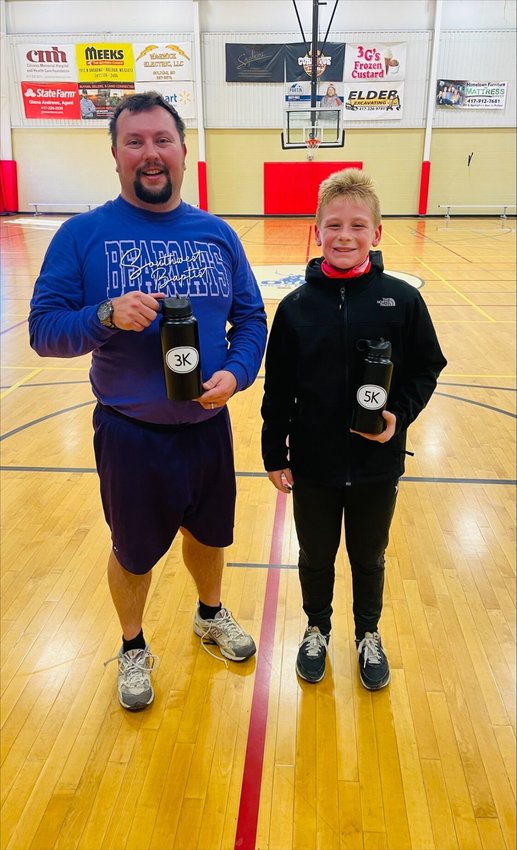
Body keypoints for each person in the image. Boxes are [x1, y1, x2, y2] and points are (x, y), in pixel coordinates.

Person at [29, 91, 267, 711]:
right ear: (115, 156)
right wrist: (105, 314)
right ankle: (133, 645)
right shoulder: (83, 235)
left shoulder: (217, 234)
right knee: (133, 553)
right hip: (131, 435)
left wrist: (238, 374)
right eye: (134, 142)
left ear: (184, 151)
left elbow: (250, 319)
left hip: (209, 426)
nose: (150, 153)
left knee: (212, 536)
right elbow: (43, 330)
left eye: (162, 140)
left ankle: (209, 613)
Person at [261, 169, 446, 689]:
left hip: (375, 465)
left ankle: (368, 633)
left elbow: (426, 367)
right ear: (316, 231)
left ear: (377, 234)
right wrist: (275, 452)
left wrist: (398, 417)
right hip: (314, 466)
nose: (345, 236)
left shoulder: (401, 301)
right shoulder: (296, 308)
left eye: (358, 226)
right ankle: (316, 628)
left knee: (369, 557)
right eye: (334, 225)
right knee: (315, 556)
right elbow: (278, 388)